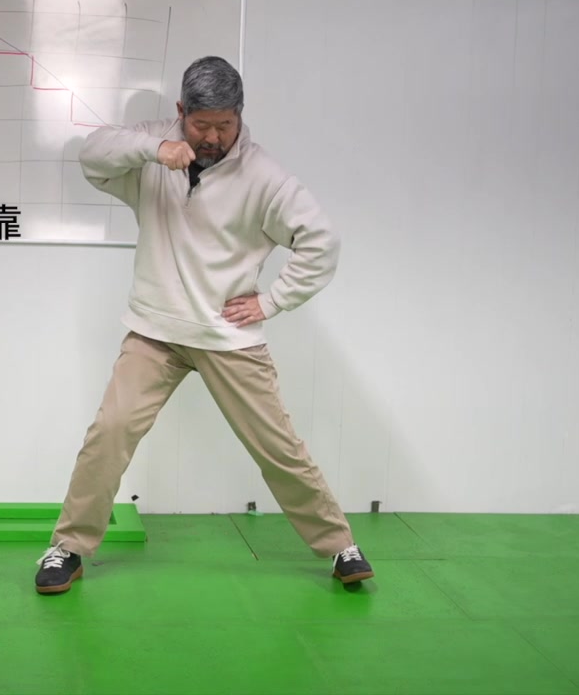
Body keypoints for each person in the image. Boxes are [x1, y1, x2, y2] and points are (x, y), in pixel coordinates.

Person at [34, 56, 372, 594]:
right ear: (180, 112)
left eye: (225, 125)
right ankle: (68, 548)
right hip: (155, 330)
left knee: (278, 447)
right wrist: (156, 150)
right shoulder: (151, 149)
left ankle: (340, 547)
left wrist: (273, 300)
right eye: (201, 125)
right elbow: (92, 154)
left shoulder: (264, 177)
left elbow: (321, 241)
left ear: (240, 115)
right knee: (109, 433)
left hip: (226, 337)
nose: (213, 137)